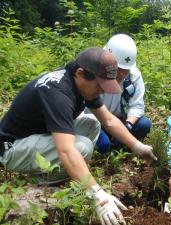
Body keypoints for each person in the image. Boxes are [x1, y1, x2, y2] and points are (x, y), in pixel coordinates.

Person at [0, 47, 156, 225]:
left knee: (92, 123)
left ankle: (73, 174)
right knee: (81, 147)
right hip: (13, 147)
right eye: (99, 86)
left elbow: (109, 120)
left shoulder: (77, 80)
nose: (102, 91)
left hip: (39, 134)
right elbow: (66, 150)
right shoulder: (58, 93)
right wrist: (98, 196)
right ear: (81, 73)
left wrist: (137, 146)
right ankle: (44, 181)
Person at [95, 34, 151, 153]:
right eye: (118, 68)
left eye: (125, 70)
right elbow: (85, 109)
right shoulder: (95, 73)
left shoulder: (134, 75)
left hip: (121, 119)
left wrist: (127, 126)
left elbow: (137, 105)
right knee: (103, 144)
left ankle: (120, 145)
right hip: (97, 120)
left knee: (144, 124)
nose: (121, 74)